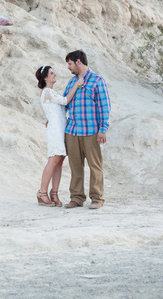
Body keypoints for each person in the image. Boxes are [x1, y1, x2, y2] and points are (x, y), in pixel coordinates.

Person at [63, 50, 111, 209]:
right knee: (75, 166)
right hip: (72, 131)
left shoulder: (97, 81)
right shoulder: (71, 82)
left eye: (70, 64)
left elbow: (105, 106)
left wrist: (103, 129)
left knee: (95, 165)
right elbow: (64, 102)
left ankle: (97, 198)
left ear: (78, 62)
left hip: (91, 131)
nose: (68, 67)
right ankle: (76, 197)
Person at [35, 65, 83, 207]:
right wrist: (76, 84)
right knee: (54, 158)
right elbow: (65, 101)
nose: (54, 74)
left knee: (60, 159)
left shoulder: (51, 92)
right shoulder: (47, 91)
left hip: (61, 128)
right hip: (55, 130)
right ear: (45, 78)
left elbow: (57, 110)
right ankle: (42, 192)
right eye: (51, 73)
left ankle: (54, 192)